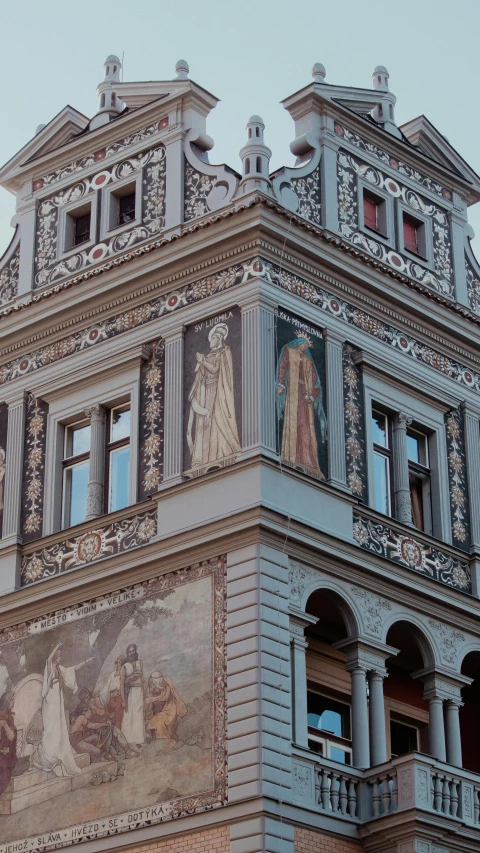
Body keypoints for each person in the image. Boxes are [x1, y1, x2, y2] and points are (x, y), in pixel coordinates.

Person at [32, 644, 95, 777]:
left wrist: (86, 662)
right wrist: (56, 646)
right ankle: (49, 754)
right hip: (50, 701)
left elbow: (73, 669)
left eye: (61, 655)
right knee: (51, 728)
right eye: (59, 656)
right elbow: (48, 661)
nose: (61, 658)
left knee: (60, 727)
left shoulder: (60, 669)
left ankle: (61, 752)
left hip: (58, 699)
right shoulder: (49, 667)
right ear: (55, 656)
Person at [187, 323, 241, 473]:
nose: (211, 340)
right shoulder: (210, 354)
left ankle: (218, 454)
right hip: (205, 392)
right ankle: (204, 458)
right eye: (212, 338)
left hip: (217, 392)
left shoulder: (223, 352)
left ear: (219, 339)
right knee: (204, 424)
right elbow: (201, 374)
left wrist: (203, 361)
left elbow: (216, 369)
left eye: (214, 338)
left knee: (216, 420)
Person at [276, 335, 327, 480]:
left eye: (307, 347)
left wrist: (312, 395)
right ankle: (289, 455)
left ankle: (305, 459)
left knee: (304, 426)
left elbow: (315, 381)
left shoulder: (307, 360)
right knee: (293, 423)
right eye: (304, 345)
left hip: (304, 396)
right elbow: (283, 367)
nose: (305, 348)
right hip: (292, 392)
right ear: (298, 344)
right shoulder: (288, 351)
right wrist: (280, 384)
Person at [144, 672, 187, 741]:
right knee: (155, 720)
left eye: (157, 678)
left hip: (169, 709)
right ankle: (160, 739)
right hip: (157, 710)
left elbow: (166, 697)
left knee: (167, 728)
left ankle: (164, 740)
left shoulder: (166, 683)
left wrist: (153, 699)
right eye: (154, 679)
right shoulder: (150, 687)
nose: (156, 680)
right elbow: (148, 700)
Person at [120, 644, 145, 749]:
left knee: (138, 715)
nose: (131, 653)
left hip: (139, 691)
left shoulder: (140, 663)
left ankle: (138, 739)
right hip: (129, 693)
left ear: (135, 652)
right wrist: (123, 700)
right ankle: (127, 740)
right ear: (127, 653)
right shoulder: (124, 667)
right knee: (128, 715)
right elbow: (122, 684)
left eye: (133, 651)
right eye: (129, 651)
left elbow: (142, 678)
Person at [102, 655, 126, 729]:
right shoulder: (112, 674)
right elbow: (107, 686)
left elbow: (122, 687)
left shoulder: (123, 674)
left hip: (118, 698)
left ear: (122, 664)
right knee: (106, 715)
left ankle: (117, 736)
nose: (117, 664)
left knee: (118, 718)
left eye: (119, 662)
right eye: (116, 662)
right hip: (111, 698)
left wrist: (123, 700)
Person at [0, 692, 17, 797]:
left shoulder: (9, 717)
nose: (13, 702)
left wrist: (5, 725)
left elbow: (11, 737)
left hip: (7, 752)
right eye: (12, 700)